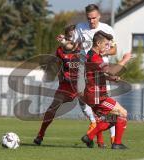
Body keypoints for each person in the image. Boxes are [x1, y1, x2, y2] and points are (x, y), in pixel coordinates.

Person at [73, 4, 118, 147]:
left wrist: (104, 52)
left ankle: (111, 138)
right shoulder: (80, 27)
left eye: (94, 18)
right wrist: (65, 42)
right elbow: (73, 46)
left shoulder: (107, 29)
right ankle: (96, 132)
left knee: (105, 105)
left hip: (100, 70)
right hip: (83, 70)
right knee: (84, 101)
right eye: (89, 18)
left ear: (99, 16)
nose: (91, 21)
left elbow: (114, 49)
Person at [80, 30, 131, 149]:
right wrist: (125, 59)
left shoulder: (90, 55)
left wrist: (111, 79)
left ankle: (89, 136)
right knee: (123, 113)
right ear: (98, 43)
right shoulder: (96, 58)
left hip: (91, 94)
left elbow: (96, 74)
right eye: (106, 44)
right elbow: (112, 70)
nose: (108, 47)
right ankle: (117, 144)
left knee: (113, 118)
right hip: (98, 96)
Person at [33, 25, 81, 145]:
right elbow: (57, 64)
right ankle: (40, 135)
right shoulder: (60, 51)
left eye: (74, 36)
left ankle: (97, 140)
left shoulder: (82, 48)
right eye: (70, 36)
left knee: (94, 109)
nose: (72, 38)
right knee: (52, 108)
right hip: (65, 86)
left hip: (82, 85)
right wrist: (59, 74)